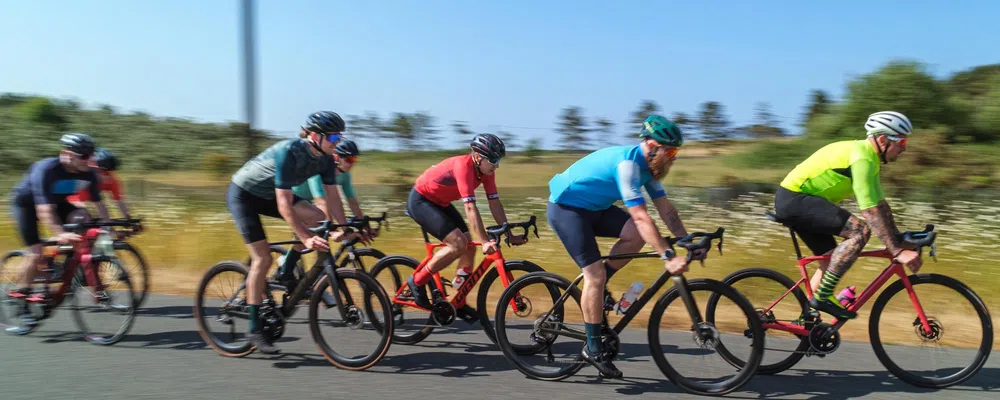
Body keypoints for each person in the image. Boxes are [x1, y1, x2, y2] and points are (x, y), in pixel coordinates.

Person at [546, 115, 700, 378]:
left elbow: (666, 210)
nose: (674, 157)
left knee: (635, 237)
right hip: (566, 209)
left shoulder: (649, 170)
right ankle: (592, 348)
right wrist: (667, 254)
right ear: (652, 146)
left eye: (676, 151)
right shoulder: (628, 166)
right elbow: (642, 217)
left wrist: (687, 240)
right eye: (671, 151)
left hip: (594, 208)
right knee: (594, 274)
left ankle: (601, 286)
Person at [227, 111, 363, 354]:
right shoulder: (289, 151)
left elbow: (333, 197)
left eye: (339, 136)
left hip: (267, 195)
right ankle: (254, 327)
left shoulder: (326, 159)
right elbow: (284, 204)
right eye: (332, 136)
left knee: (319, 218)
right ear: (314, 136)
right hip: (244, 195)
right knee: (262, 258)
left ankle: (287, 269)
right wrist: (305, 237)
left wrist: (344, 229)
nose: (336, 142)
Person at [775, 111, 922, 320]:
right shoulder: (862, 158)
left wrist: (899, 238)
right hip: (795, 199)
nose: (905, 148)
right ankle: (823, 297)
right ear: (882, 140)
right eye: (902, 141)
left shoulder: (870, 159)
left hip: (802, 202)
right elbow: (869, 211)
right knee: (860, 230)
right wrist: (897, 251)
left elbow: (880, 206)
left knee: (831, 260)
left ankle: (807, 323)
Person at [404, 133, 525, 309]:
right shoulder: (463, 166)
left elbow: (495, 204)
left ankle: (458, 300)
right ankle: (417, 282)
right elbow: (470, 208)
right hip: (421, 201)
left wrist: (509, 234)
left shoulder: (487, 171)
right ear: (477, 157)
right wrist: (484, 241)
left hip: (440, 203)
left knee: (469, 247)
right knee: (458, 244)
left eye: (498, 159)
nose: (497, 165)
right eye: (493, 160)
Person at [7, 133, 112, 324]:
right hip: (26, 205)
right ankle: (21, 297)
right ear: (67, 154)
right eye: (83, 156)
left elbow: (99, 204)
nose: (88, 160)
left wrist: (109, 228)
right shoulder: (47, 169)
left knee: (85, 218)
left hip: (59, 202)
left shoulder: (88, 173)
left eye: (91, 155)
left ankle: (67, 265)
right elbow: (44, 211)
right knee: (36, 253)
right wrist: (60, 233)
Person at [292, 138, 366, 219]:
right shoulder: (319, 170)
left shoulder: (345, 175)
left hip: (306, 202)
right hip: (291, 199)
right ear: (336, 157)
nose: (352, 164)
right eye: (349, 160)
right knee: (319, 221)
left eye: (354, 159)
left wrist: (366, 227)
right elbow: (321, 202)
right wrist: (331, 228)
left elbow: (352, 203)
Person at [67, 148, 134, 222]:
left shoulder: (112, 180)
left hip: (84, 201)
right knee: (83, 217)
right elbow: (75, 200)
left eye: (108, 172)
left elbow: (119, 201)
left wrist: (128, 219)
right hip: (66, 201)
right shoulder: (84, 178)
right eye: (102, 172)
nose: (107, 176)